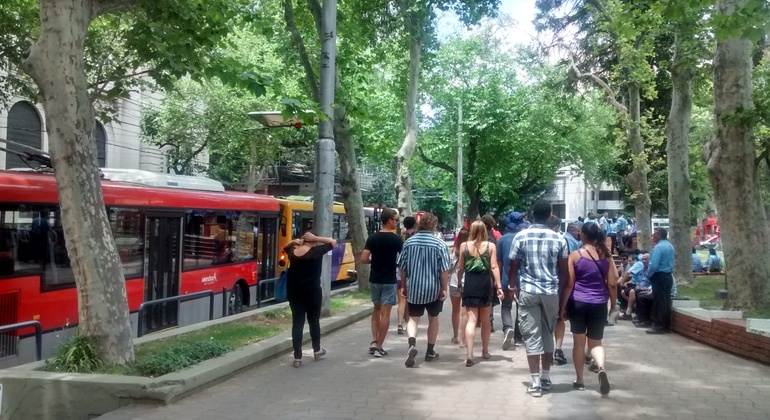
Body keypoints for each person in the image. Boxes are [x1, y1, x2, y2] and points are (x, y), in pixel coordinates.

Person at [508, 200, 569, 398]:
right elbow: (564, 272)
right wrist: (560, 295)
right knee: (547, 333)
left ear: (532, 214)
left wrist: (512, 287)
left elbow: (513, 266)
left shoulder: (520, 236)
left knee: (531, 336)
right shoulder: (559, 238)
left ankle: (535, 383)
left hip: (528, 291)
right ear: (550, 214)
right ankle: (546, 377)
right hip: (551, 292)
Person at [562, 222, 618, 394]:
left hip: (578, 302)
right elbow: (613, 283)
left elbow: (569, 284)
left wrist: (562, 306)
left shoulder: (575, 255)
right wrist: (613, 305)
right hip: (599, 303)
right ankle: (600, 367)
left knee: (579, 343)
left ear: (583, 235)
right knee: (596, 343)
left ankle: (579, 381)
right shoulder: (606, 256)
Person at [398, 213, 451, 367]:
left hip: (414, 287)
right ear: (434, 225)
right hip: (434, 288)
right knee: (433, 318)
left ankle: (412, 344)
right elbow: (444, 270)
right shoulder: (439, 244)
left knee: (413, 318)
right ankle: (430, 351)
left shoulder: (409, 243)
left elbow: (402, 267)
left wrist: (404, 286)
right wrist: (444, 288)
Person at [284, 231, 336, 368]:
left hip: (294, 293)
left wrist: (293, 242)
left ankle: (297, 357)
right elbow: (332, 242)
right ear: (314, 241)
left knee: (297, 323)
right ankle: (317, 350)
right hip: (312, 293)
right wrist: (317, 238)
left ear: (302, 240)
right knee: (314, 321)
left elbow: (285, 247)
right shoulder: (316, 252)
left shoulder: (293, 253)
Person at [457, 221, 504, 366]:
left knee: (471, 321)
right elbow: (494, 267)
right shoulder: (491, 246)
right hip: (485, 282)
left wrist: (459, 282)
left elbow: (460, 267)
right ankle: (485, 351)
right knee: (485, 321)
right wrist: (499, 286)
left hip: (470, 282)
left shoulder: (464, 246)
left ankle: (470, 354)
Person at [361, 208, 403, 357]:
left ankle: (374, 341)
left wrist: (374, 261)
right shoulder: (396, 240)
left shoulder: (372, 238)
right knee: (386, 314)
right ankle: (379, 346)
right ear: (390, 221)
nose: (397, 223)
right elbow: (403, 258)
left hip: (375, 279)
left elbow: (363, 259)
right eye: (396, 220)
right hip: (389, 280)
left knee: (376, 310)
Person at [554, 223, 583, 366]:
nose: (579, 234)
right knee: (560, 317)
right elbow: (569, 267)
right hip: (562, 284)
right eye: (578, 231)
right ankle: (558, 349)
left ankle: (548, 350)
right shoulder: (567, 242)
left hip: (545, 286)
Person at [497, 212, 526, 352]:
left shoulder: (502, 240)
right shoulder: (524, 238)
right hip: (523, 280)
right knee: (521, 309)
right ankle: (518, 339)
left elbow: (499, 262)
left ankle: (508, 328)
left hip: (506, 278)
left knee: (506, 307)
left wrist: (496, 281)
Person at [646, 228, 675, 334]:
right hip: (668, 276)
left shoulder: (658, 247)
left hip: (659, 276)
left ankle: (659, 325)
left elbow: (654, 265)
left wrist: (648, 274)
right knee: (666, 300)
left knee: (659, 301)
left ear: (659, 235)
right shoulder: (670, 246)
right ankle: (666, 324)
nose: (653, 236)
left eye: (655, 234)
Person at [396, 216, 417, 334]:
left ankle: (400, 323)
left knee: (401, 299)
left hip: (400, 270)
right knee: (411, 298)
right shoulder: (416, 237)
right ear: (414, 224)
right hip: (413, 271)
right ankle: (409, 320)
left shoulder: (399, 237)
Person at [449, 229, 470, 345]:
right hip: (467, 282)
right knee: (465, 311)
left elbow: (449, 267)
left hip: (454, 282)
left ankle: (455, 335)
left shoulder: (454, 252)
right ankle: (464, 338)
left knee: (455, 310)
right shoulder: (471, 250)